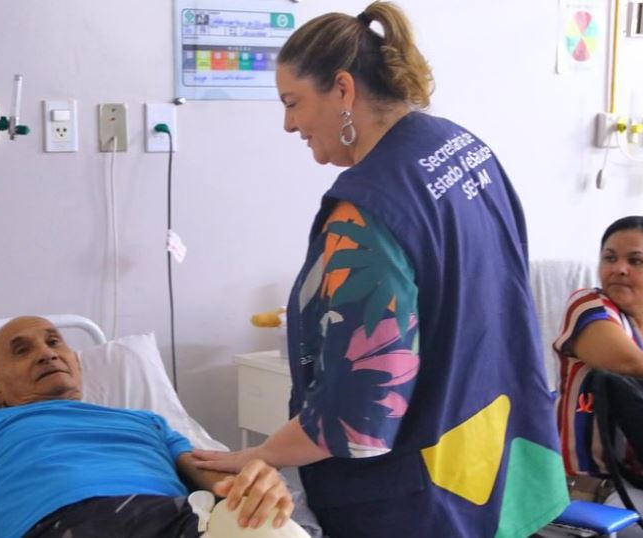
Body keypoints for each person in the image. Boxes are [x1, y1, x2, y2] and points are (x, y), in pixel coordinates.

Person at [192, 2, 569, 537]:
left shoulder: (366, 212)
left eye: (293, 103)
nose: (289, 124)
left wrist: (264, 453)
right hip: (501, 446)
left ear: (343, 90)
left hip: (422, 496)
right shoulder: (462, 148)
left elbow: (361, 416)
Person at [0, 316, 296, 538]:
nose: (47, 353)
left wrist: (255, 486)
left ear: (77, 364)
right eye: (22, 350)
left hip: (176, 521)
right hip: (57, 525)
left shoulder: (147, 421)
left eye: (54, 342)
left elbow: (216, 478)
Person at [554, 216, 643, 536]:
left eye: (635, 261)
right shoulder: (588, 305)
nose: (619, 269)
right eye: (610, 258)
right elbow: (628, 362)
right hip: (591, 490)